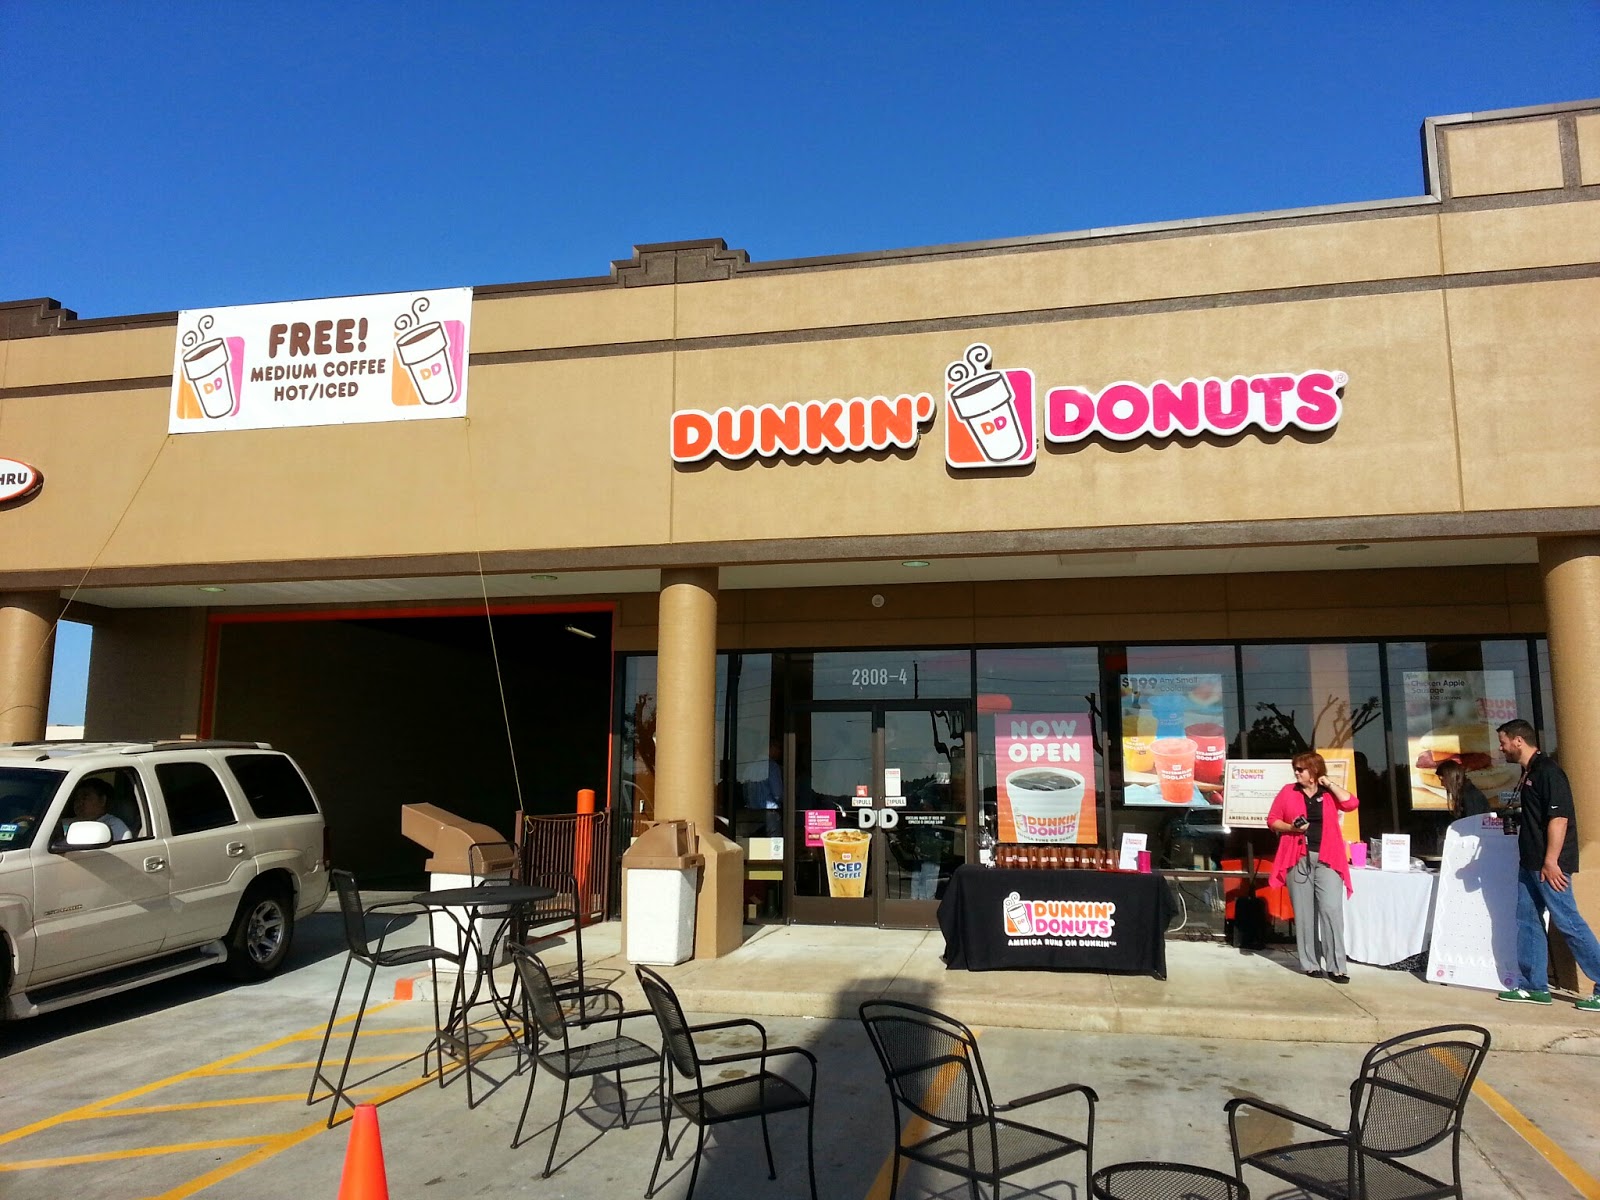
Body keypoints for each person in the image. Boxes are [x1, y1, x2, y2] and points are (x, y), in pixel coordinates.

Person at [1495, 719, 1600, 1012]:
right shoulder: (1528, 772)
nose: (1500, 747)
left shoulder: (1548, 772)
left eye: (1503, 741)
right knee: (1527, 920)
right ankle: (1534, 987)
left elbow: (1559, 819)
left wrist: (1551, 861)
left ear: (1518, 741)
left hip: (1549, 865)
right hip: (1530, 863)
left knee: (1568, 922)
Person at [1266, 751, 1361, 982]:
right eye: (1295, 769)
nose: (1296, 772)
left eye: (1301, 769)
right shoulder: (1288, 791)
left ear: (1314, 771)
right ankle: (1309, 963)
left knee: (1331, 910)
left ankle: (1337, 966)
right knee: (1305, 914)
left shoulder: (1328, 793)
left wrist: (1328, 782)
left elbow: (1351, 803)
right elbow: (1272, 819)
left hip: (1329, 857)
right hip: (1297, 856)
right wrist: (1292, 828)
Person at [67, 777, 133, 842]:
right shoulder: (67, 823)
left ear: (102, 800)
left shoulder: (115, 828)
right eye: (77, 798)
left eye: (85, 797)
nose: (79, 802)